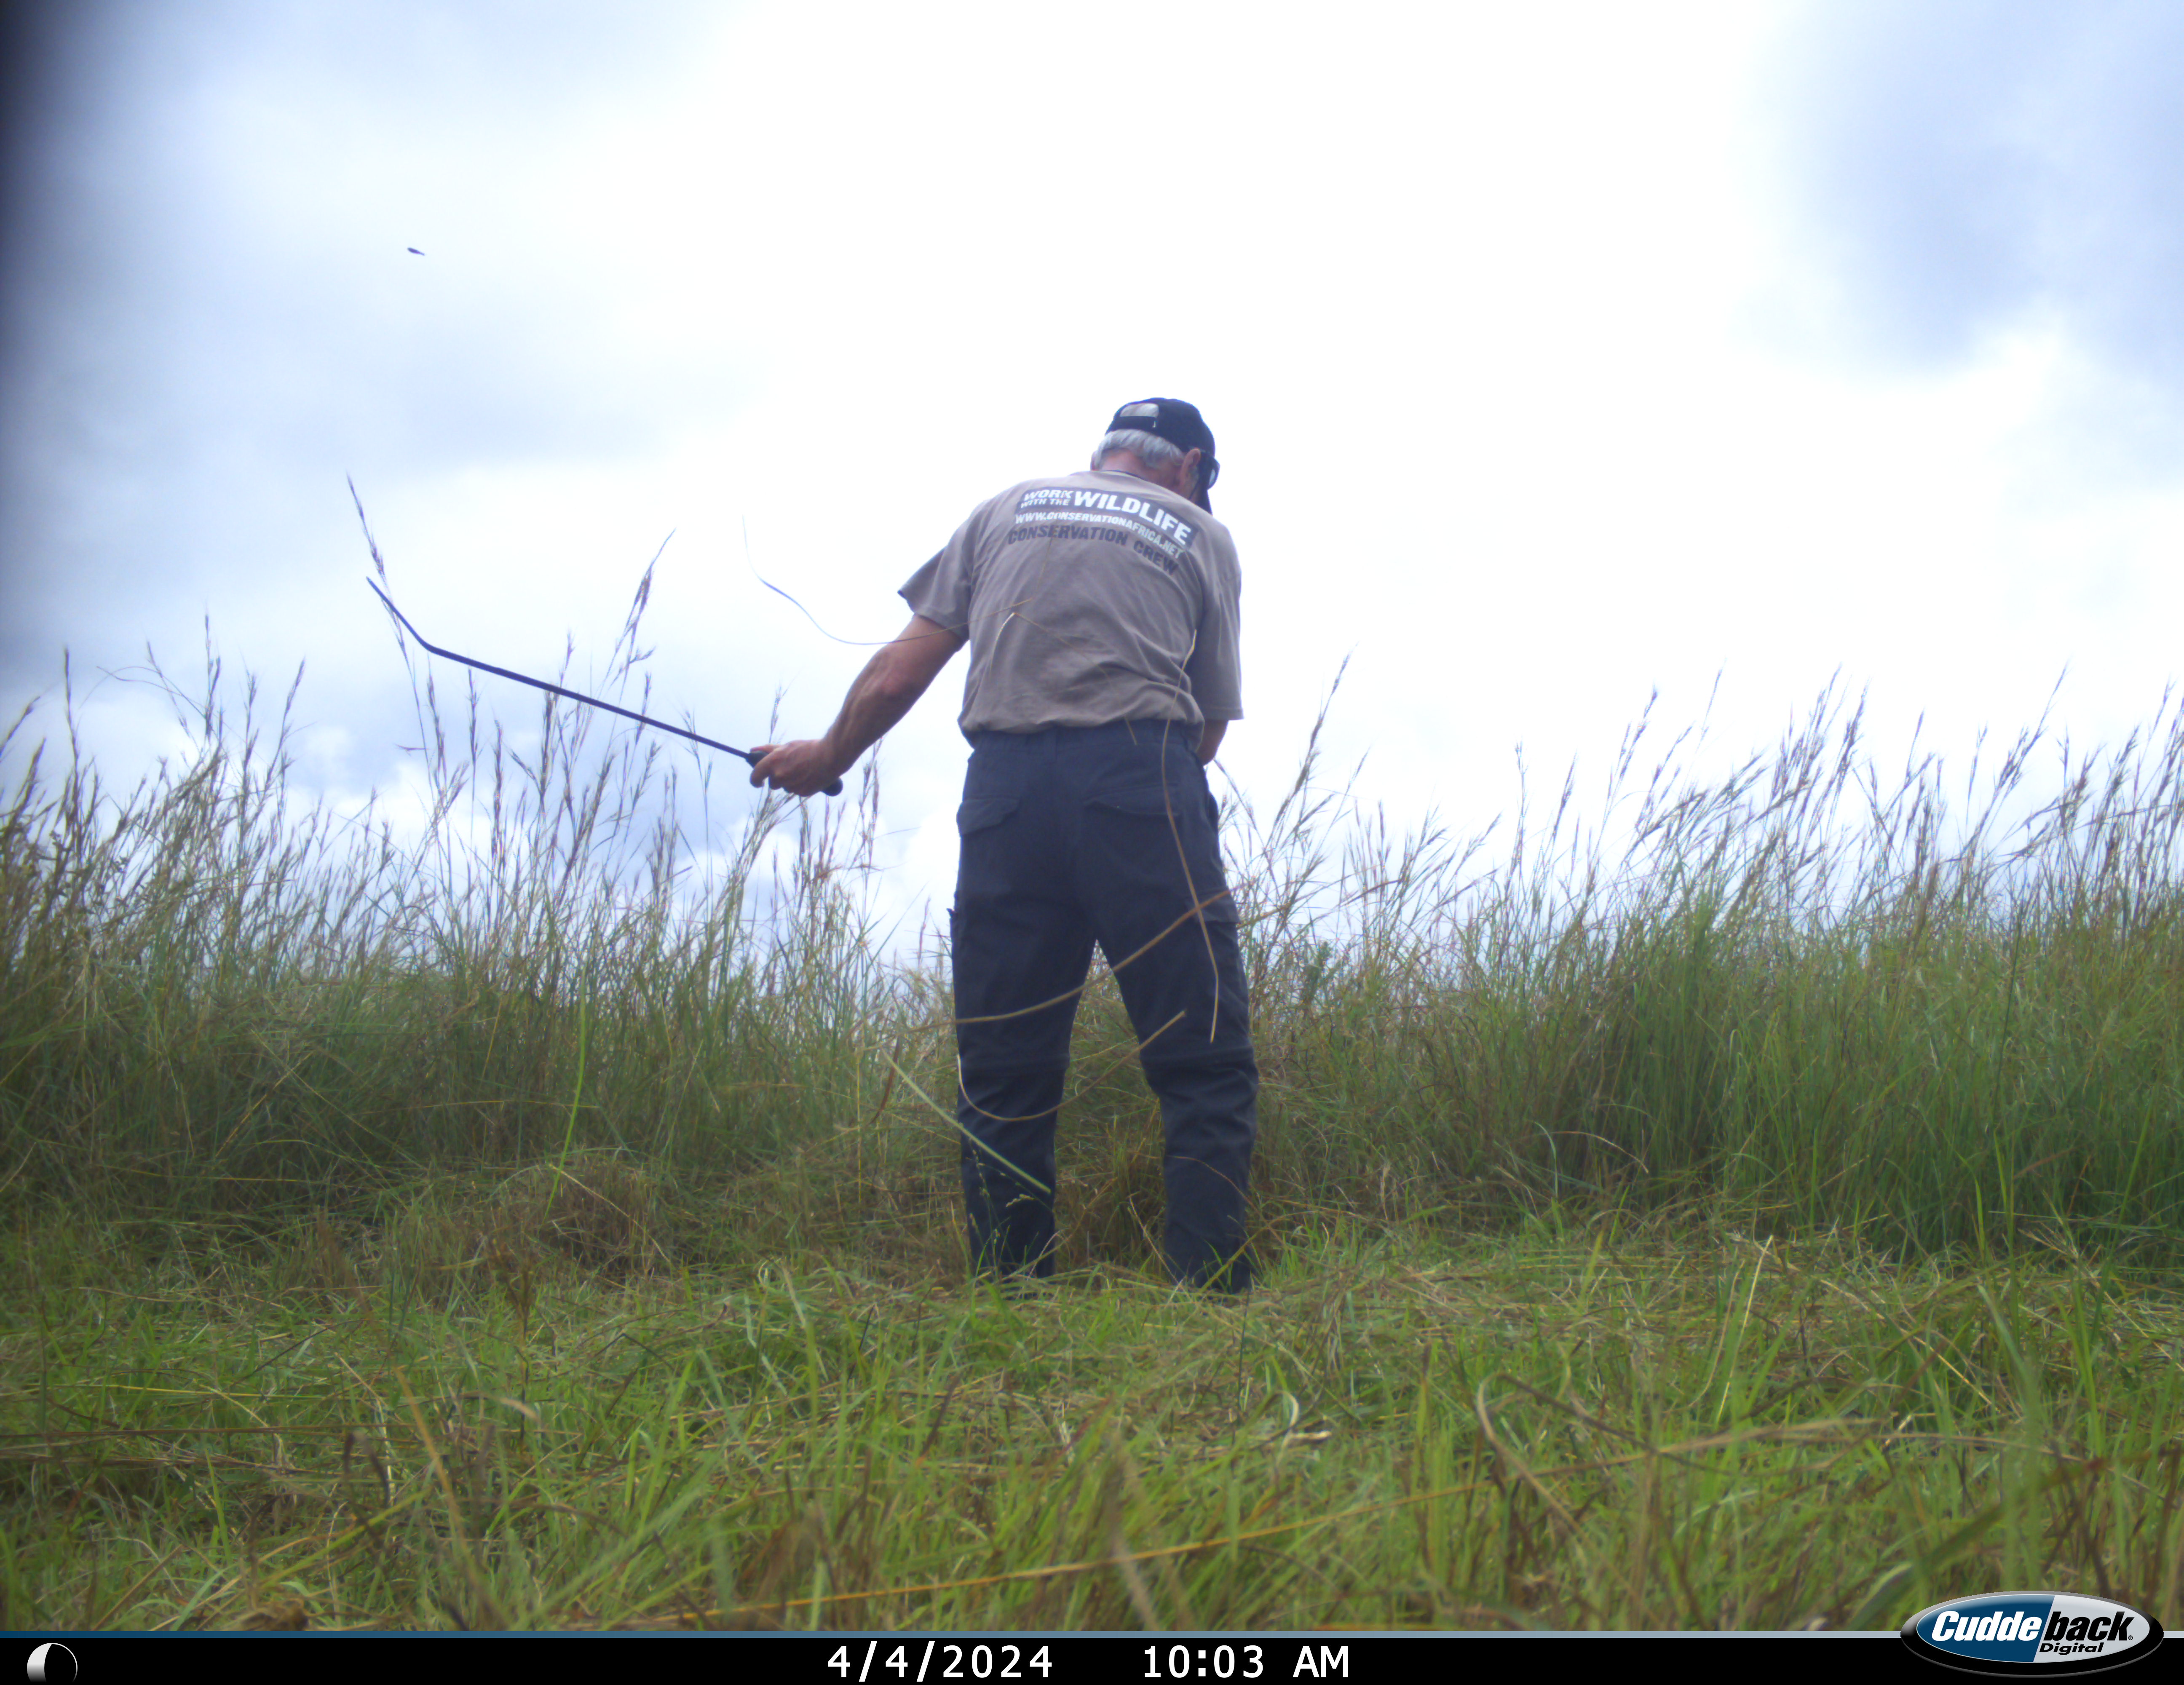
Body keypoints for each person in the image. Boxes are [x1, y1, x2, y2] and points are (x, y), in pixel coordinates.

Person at [750, 399, 1256, 1292]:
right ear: (1193, 468)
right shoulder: (1199, 533)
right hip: (1142, 785)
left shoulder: (1002, 509)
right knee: (1203, 1057)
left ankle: (1013, 1301)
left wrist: (825, 756)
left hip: (1006, 797)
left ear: (1101, 455)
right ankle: (1211, 1298)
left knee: (1004, 1070)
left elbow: (902, 669)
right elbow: (1208, 730)